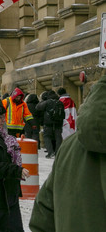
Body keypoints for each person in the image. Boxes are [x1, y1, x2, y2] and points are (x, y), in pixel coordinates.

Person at [30, 77, 106, 232]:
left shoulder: (68, 149)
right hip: (61, 128)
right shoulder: (64, 104)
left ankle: (50, 151)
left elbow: (42, 217)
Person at [0, 97, 27, 232]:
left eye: (3, 117)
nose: (3, 121)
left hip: (9, 196)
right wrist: (15, 170)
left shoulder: (6, 138)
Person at [35, 90, 64, 158]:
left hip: (48, 123)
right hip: (58, 123)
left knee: (47, 137)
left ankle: (50, 153)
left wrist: (42, 100)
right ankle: (58, 153)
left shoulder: (47, 102)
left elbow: (37, 107)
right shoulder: (60, 102)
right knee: (58, 137)